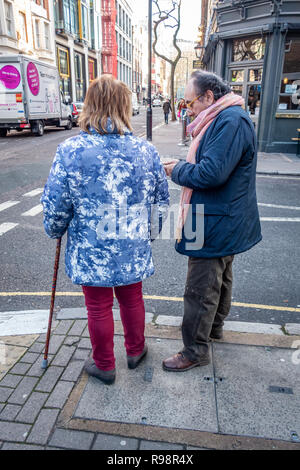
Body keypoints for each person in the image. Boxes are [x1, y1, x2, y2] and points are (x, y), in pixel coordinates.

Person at [41, 75, 169, 384]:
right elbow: (162, 200)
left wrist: (55, 228)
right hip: (131, 246)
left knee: (97, 305)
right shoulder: (145, 150)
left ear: (90, 106)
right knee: (132, 298)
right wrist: (148, 233)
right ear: (125, 106)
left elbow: (57, 204)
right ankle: (136, 351)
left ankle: (105, 364)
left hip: (91, 247)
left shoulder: (71, 150)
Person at [162, 70, 262, 372]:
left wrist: (175, 169)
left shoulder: (229, 122)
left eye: (190, 102)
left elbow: (210, 173)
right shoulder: (224, 118)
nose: (187, 109)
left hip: (213, 219)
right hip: (219, 216)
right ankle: (213, 329)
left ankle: (194, 350)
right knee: (220, 277)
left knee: (200, 288)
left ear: (208, 96)